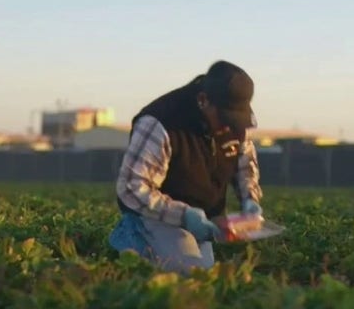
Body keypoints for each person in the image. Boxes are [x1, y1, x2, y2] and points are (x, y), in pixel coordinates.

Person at [109, 60, 263, 273]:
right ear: (203, 101)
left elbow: (245, 164)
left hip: (204, 217)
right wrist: (185, 216)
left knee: (205, 276)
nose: (230, 127)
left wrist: (250, 199)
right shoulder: (160, 122)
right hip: (157, 215)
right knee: (189, 274)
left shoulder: (235, 123)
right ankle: (135, 238)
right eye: (225, 119)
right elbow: (132, 188)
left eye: (236, 120)